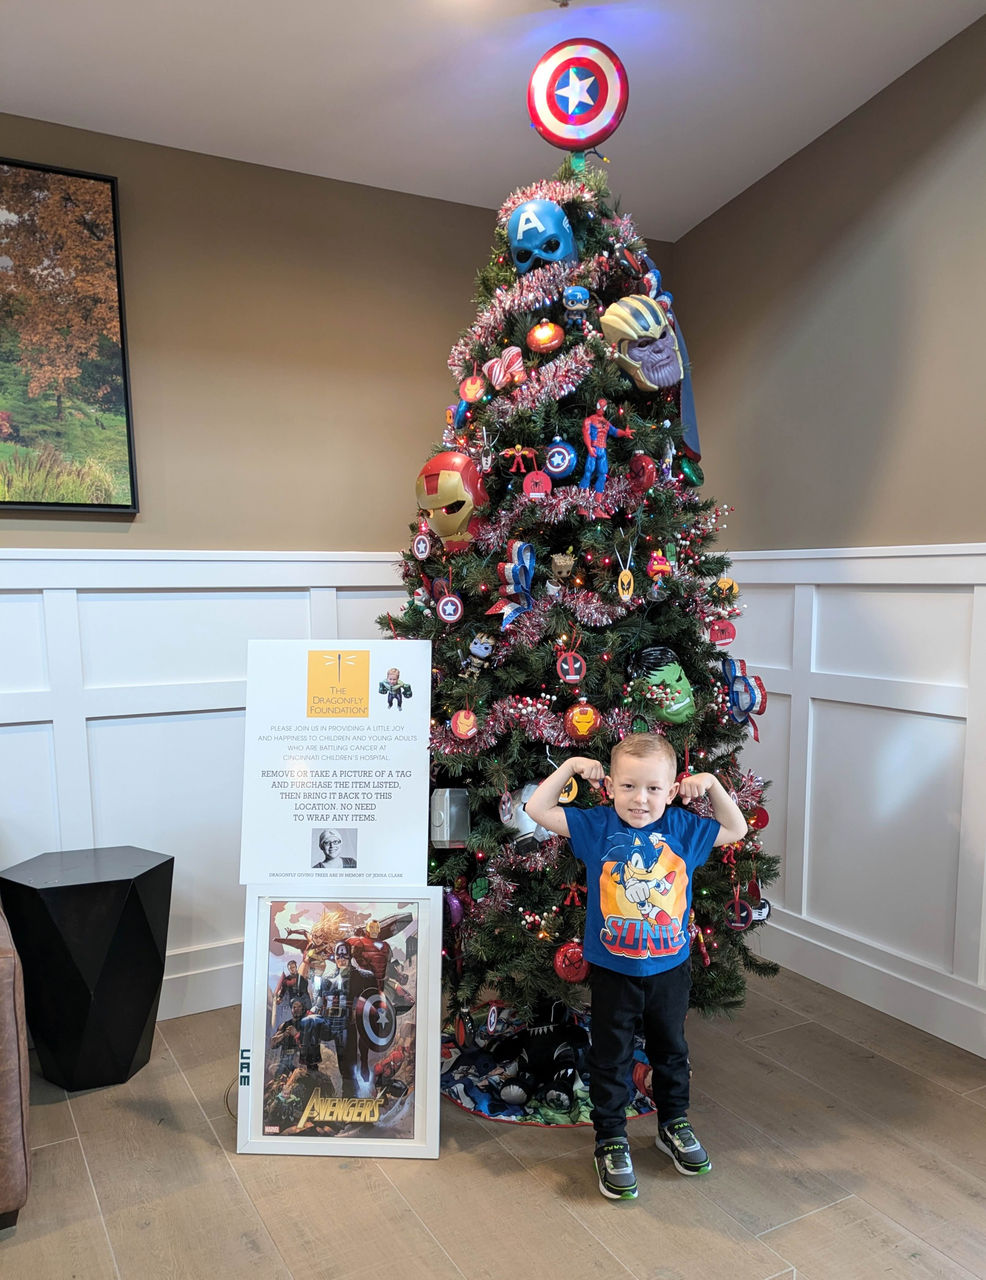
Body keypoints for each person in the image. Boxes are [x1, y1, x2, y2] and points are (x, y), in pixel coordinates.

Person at [525, 732, 747, 1201]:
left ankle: (673, 1122)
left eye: (652, 788)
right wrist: (569, 767)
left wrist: (710, 784)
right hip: (613, 971)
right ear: (610, 787)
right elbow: (537, 809)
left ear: (672, 791)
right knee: (611, 1055)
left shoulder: (685, 829)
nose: (639, 799)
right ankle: (610, 1138)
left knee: (671, 1049)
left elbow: (737, 827)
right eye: (628, 786)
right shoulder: (598, 826)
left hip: (670, 970)